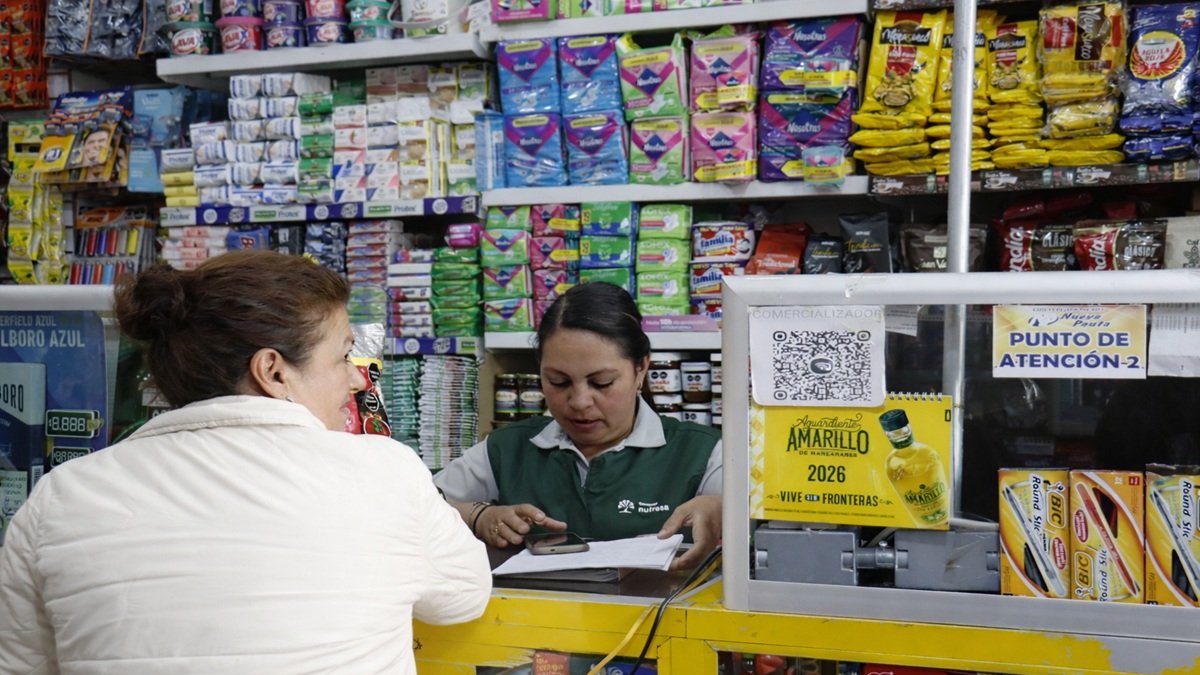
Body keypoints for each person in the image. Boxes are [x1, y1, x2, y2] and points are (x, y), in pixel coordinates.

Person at [0, 250, 491, 673]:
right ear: (273, 371)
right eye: (343, 357)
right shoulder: (383, 471)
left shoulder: (61, 496)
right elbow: (462, 598)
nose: (358, 381)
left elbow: (23, 664)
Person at [434, 282, 722, 570]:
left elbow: (757, 531)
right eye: (559, 382)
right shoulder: (507, 449)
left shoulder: (703, 453)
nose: (580, 401)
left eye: (602, 383)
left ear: (641, 368)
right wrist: (476, 516)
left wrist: (723, 511)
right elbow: (411, 507)